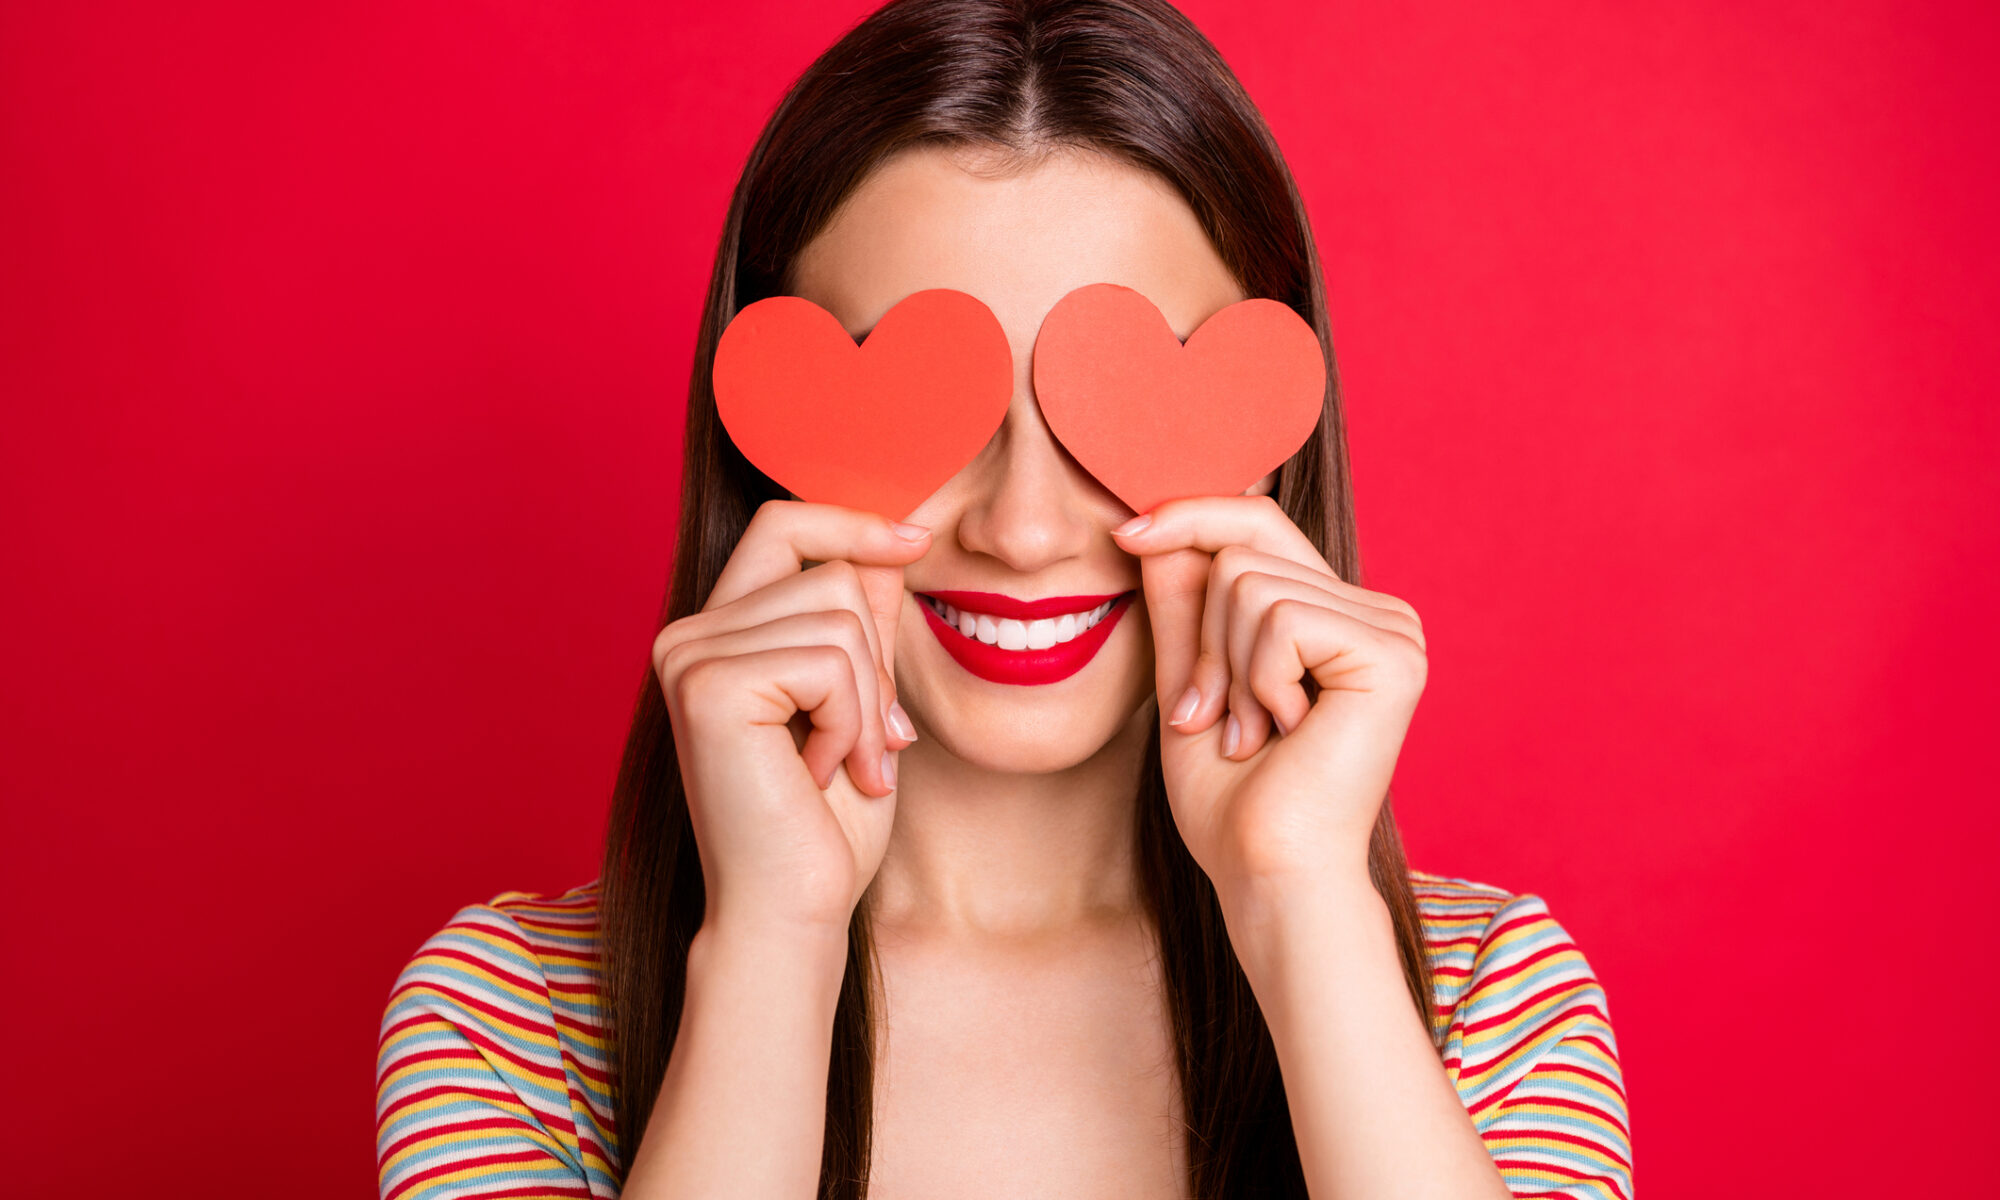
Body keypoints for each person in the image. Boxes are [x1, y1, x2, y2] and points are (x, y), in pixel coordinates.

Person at [373, 1, 1631, 1197]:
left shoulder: (1486, 1008)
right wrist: (774, 946)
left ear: (1268, 449)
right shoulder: (510, 1024)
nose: (1022, 531)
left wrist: (1301, 905)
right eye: (935, 412)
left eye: (1118, 414)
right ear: (770, 442)